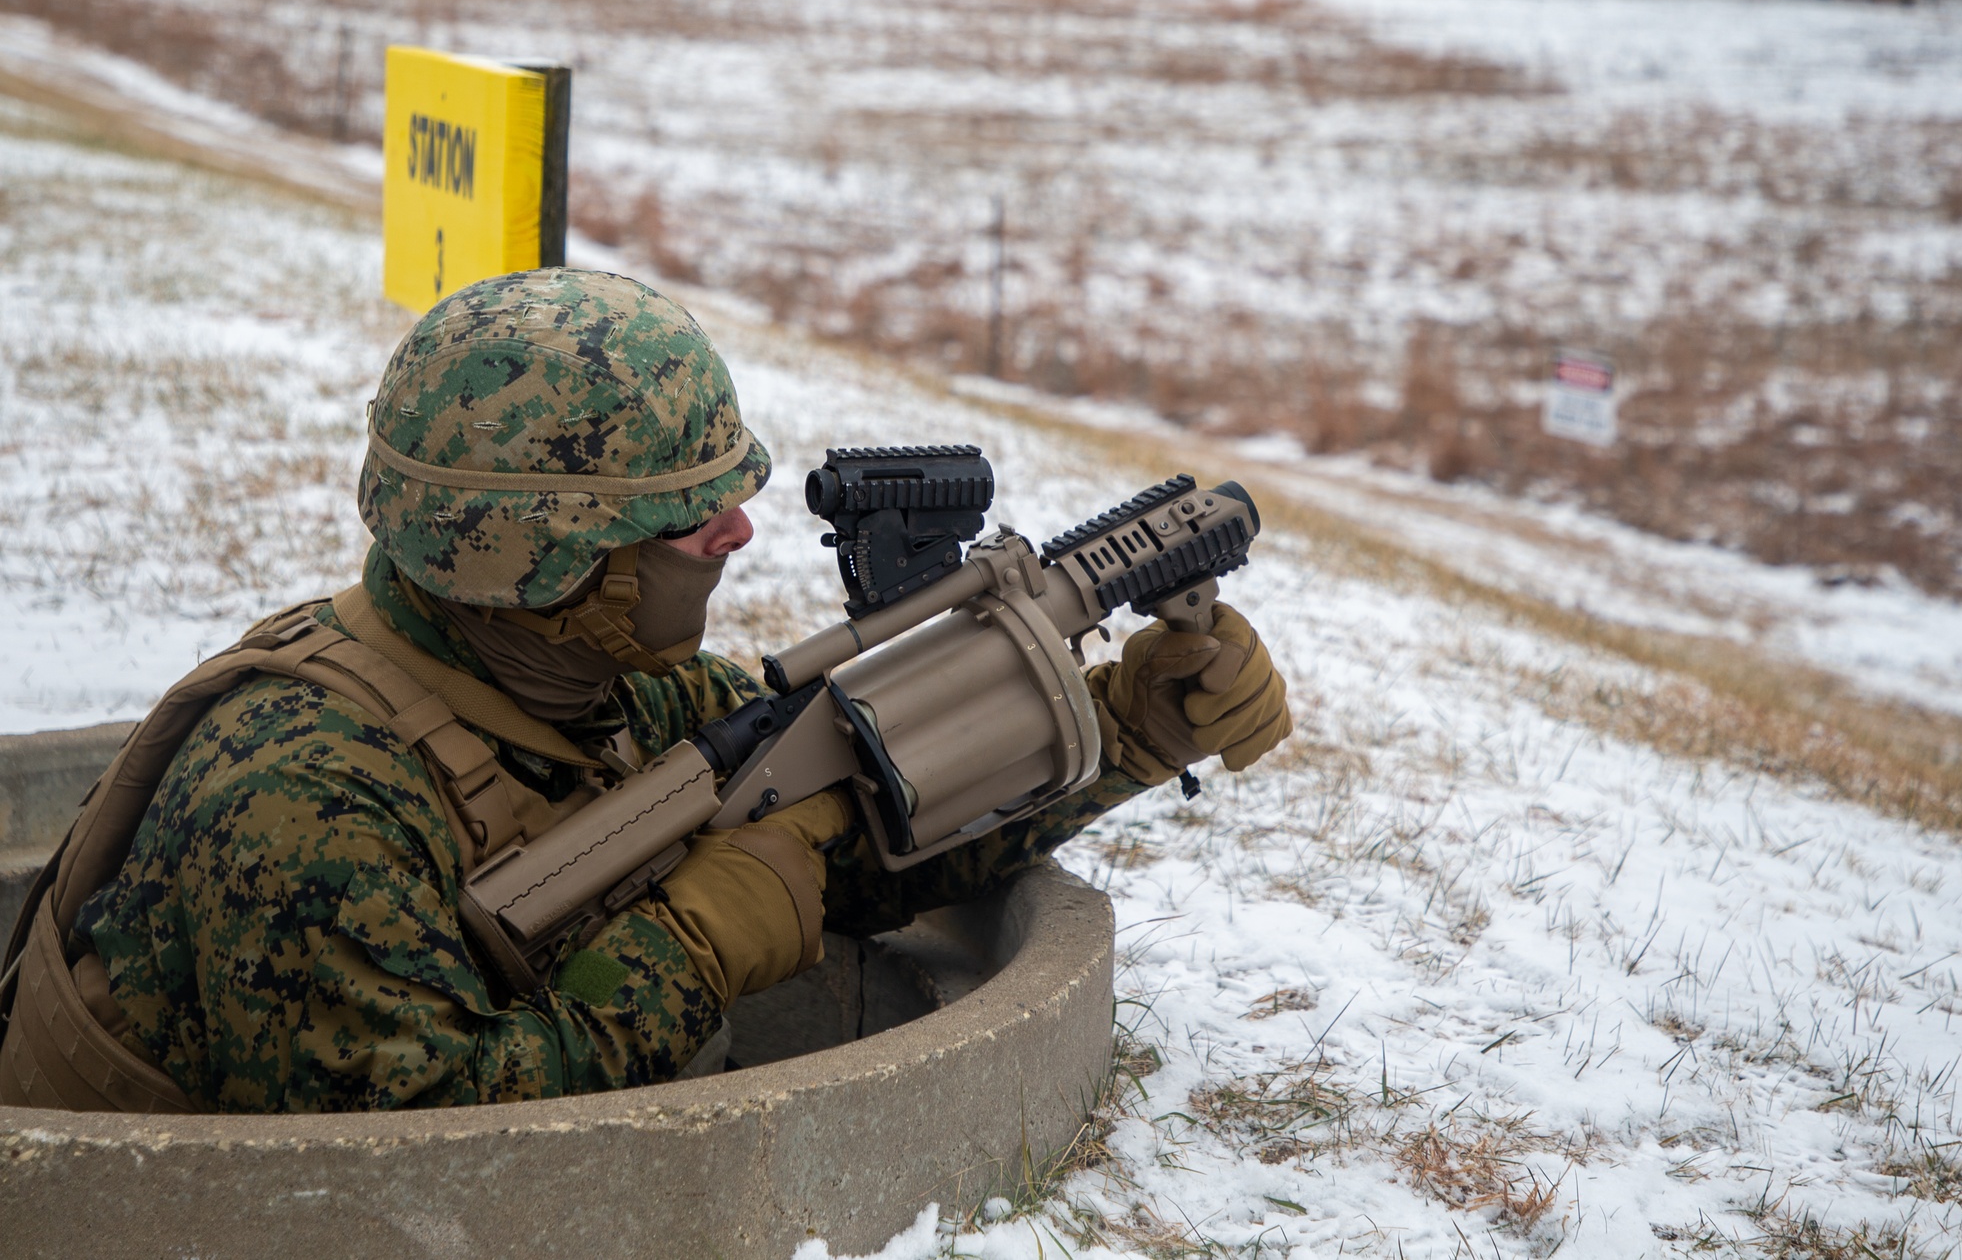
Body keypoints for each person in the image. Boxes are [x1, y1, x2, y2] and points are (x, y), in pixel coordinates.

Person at [0, 269, 1291, 1114]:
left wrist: (1126, 728)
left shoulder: (611, 692)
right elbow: (414, 1164)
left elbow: (861, 850)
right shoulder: (308, 801)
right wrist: (691, 947)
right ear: (543, 560)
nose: (735, 534)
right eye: (685, 518)